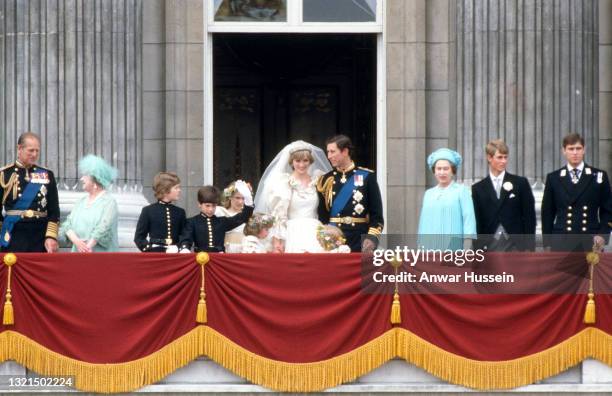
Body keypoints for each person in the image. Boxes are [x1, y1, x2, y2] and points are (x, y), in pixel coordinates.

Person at [254, 140, 332, 253]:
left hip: (316, 232)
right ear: (291, 162)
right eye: (298, 160)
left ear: (310, 161)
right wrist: (277, 242)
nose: (301, 164)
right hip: (292, 233)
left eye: (305, 160)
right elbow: (278, 216)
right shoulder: (283, 183)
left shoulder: (318, 180)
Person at [541, 133, 611, 252]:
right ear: (564, 151)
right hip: (561, 240)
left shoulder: (599, 176)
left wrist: (602, 235)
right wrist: (547, 242)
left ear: (584, 150)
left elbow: (608, 210)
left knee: (590, 271)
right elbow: (547, 212)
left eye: (578, 148)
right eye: (571, 149)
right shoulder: (554, 178)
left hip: (591, 240)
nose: (575, 153)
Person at [317, 135, 384, 252]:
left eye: (332, 152)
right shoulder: (325, 180)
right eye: (328, 152)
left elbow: (376, 215)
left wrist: (372, 237)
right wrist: (325, 236)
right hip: (333, 239)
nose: (329, 156)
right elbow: (322, 215)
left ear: (345, 151)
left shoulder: (366, 176)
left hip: (360, 238)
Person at [0, 132, 60, 252]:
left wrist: (50, 236)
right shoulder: (4, 174)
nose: (34, 154)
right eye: (31, 150)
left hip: (39, 236)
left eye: (37, 151)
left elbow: (54, 210)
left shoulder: (47, 174)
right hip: (13, 235)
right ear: (19, 148)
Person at [471, 140, 536, 251]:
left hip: (515, 244)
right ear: (489, 158)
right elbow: (477, 220)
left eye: (505, 157)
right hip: (488, 244)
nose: (504, 161)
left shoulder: (520, 183)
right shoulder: (478, 188)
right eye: (499, 157)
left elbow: (529, 216)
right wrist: (478, 246)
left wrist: (529, 246)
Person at [417, 148, 476, 251]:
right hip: (429, 247)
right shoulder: (428, 194)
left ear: (452, 170)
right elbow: (423, 223)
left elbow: (468, 218)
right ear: (434, 171)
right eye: (439, 169)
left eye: (445, 168)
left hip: (453, 248)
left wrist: (467, 243)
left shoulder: (461, 191)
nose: (442, 172)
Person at [59, 155, 119, 252]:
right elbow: (67, 225)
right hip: (79, 253)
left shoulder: (109, 202)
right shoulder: (80, 202)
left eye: (85, 175)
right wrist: (78, 242)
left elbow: (103, 227)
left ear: (95, 178)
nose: (81, 179)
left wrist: (88, 247)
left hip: (100, 256)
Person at [179, 182, 254, 252]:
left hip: (219, 260)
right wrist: (184, 248)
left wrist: (248, 199)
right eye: (207, 206)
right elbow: (186, 239)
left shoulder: (221, 221)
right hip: (201, 258)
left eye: (214, 206)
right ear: (199, 204)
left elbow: (243, 217)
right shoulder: (192, 222)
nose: (211, 209)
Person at [134, 172, 186, 252]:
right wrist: (151, 249)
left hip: (175, 256)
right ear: (165, 190)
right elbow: (139, 238)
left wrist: (178, 247)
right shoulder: (148, 211)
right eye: (176, 188)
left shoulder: (180, 212)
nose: (179, 190)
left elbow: (184, 236)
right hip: (155, 256)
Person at [216, 180, 251, 253]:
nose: (240, 202)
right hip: (227, 252)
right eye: (237, 198)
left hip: (245, 252)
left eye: (243, 198)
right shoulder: (220, 212)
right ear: (230, 197)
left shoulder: (248, 216)